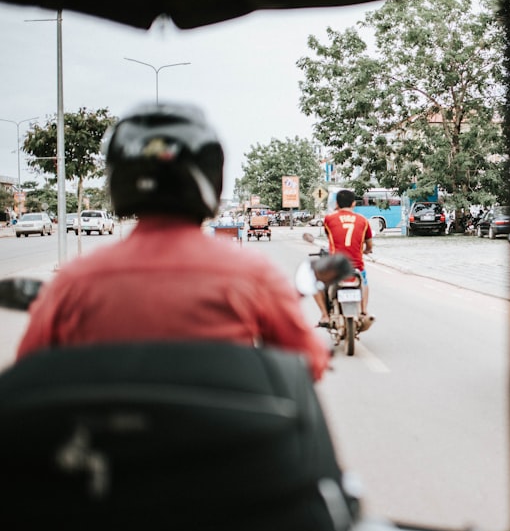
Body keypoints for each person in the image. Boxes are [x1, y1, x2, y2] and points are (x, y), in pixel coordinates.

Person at [16, 103, 329, 381]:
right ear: (211, 177)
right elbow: (309, 364)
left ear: (119, 179)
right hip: (228, 444)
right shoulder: (252, 273)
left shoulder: (74, 281)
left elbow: (27, 377)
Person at [316, 188, 374, 328]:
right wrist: (367, 250)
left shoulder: (329, 219)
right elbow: (369, 245)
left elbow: (331, 235)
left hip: (336, 266)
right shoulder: (363, 221)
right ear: (354, 203)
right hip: (356, 267)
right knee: (364, 282)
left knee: (315, 283)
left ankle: (324, 315)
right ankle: (364, 311)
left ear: (337, 203)